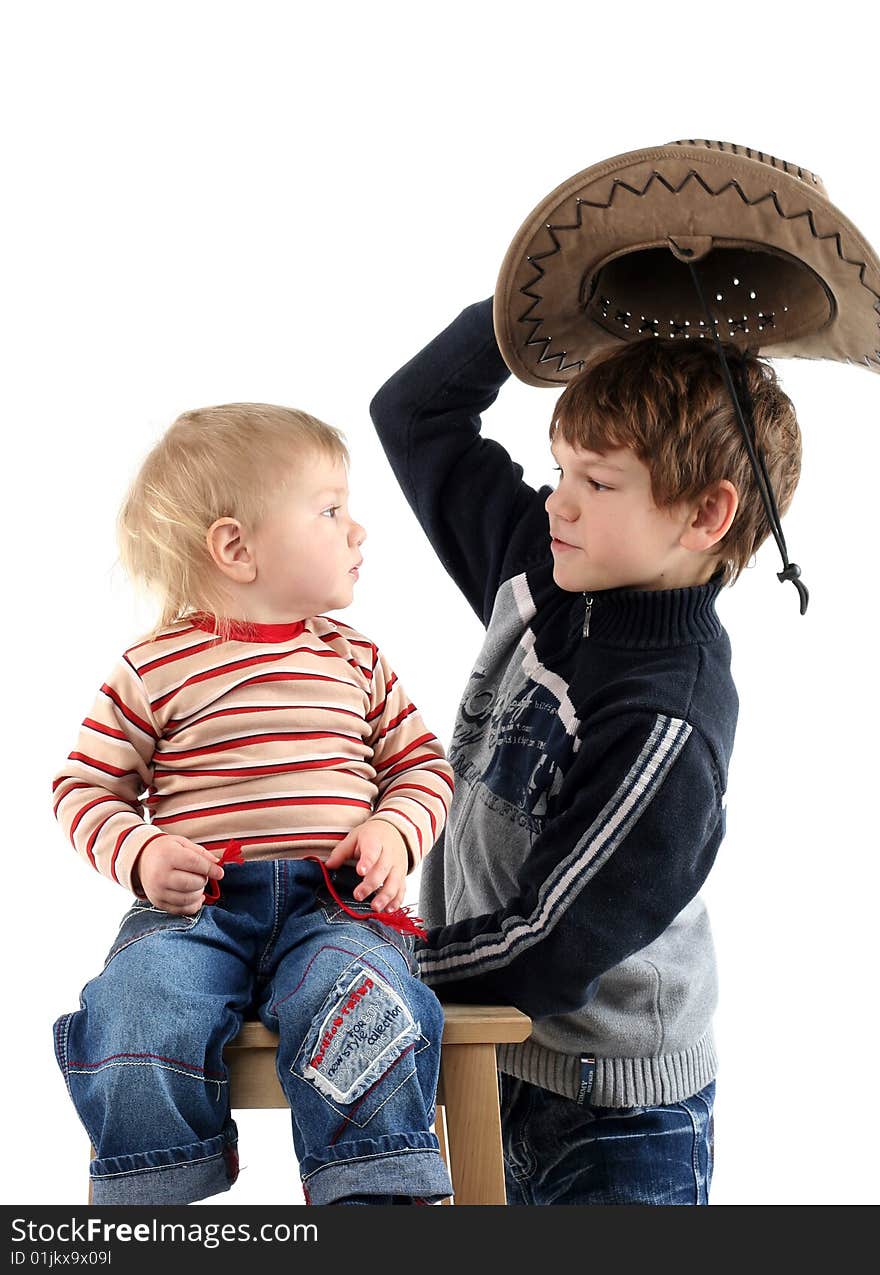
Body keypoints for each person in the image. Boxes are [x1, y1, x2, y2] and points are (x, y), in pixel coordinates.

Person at [370, 297, 802, 1205]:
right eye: (558, 467)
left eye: (597, 482)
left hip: (613, 1122)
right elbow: (413, 415)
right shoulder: (554, 566)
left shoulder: (666, 718)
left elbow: (545, 945)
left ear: (707, 514)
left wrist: (366, 965)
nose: (557, 500)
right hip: (494, 1056)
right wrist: (535, 299)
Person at [51, 403, 455, 1206]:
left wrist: (393, 830)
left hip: (334, 907)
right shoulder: (154, 667)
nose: (359, 531)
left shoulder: (357, 660)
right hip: (197, 913)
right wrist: (141, 852)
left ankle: (373, 1193)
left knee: (363, 1000)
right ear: (236, 547)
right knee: (135, 1002)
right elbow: (84, 788)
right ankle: (152, 1192)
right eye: (332, 509)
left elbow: (422, 766)